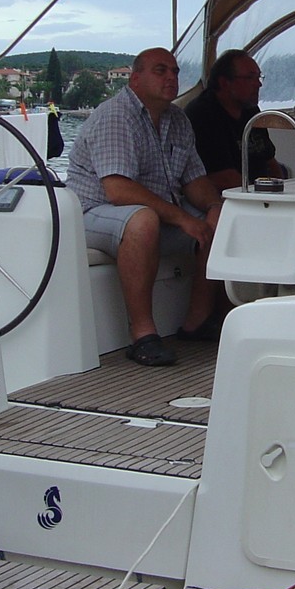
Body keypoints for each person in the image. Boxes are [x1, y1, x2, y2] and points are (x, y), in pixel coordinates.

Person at [66, 47, 224, 366]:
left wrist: (215, 205)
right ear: (135, 79)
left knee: (222, 218)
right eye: (160, 71)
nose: (171, 78)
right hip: (91, 212)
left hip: (150, 214)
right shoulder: (115, 116)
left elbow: (194, 180)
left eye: (175, 71)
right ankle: (142, 335)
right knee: (142, 220)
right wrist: (182, 218)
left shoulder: (177, 120)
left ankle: (196, 321)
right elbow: (118, 190)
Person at [185, 49, 287, 191]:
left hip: (259, 191)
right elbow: (223, 177)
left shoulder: (251, 110)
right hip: (230, 195)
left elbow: (269, 160)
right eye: (250, 78)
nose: (258, 84)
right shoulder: (202, 114)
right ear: (224, 82)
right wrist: (259, 197)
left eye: (259, 77)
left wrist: (283, 189)